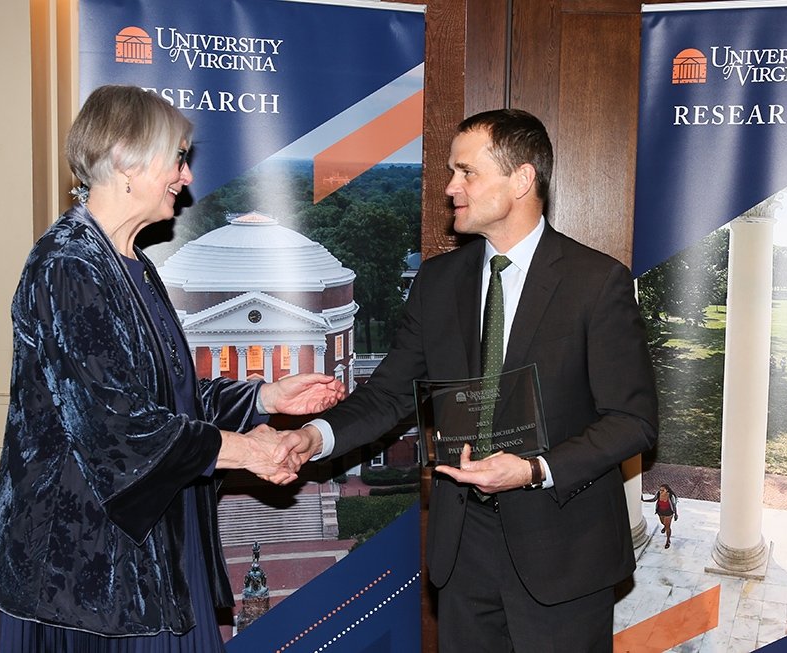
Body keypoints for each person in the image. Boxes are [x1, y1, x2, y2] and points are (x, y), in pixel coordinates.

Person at [0, 84, 344, 652]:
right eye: (176, 157)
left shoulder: (131, 263)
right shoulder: (68, 266)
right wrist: (250, 451)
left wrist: (266, 397)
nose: (186, 176)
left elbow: (164, 395)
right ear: (126, 158)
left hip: (150, 548)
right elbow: (115, 428)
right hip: (87, 572)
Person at [274, 109, 658, 652]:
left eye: (466, 172)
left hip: (564, 553)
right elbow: (387, 394)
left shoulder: (596, 283)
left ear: (522, 179)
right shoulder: (438, 282)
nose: (450, 187)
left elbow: (633, 422)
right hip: (463, 552)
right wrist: (314, 436)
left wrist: (533, 470)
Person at [643, 484, 679, 549]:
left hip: (668, 513)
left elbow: (674, 506)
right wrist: (644, 500)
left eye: (663, 490)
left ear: (667, 490)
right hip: (660, 512)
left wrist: (676, 514)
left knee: (668, 527)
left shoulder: (671, 496)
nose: (661, 491)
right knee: (663, 523)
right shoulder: (658, 494)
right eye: (660, 490)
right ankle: (664, 527)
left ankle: (668, 540)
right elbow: (654, 499)